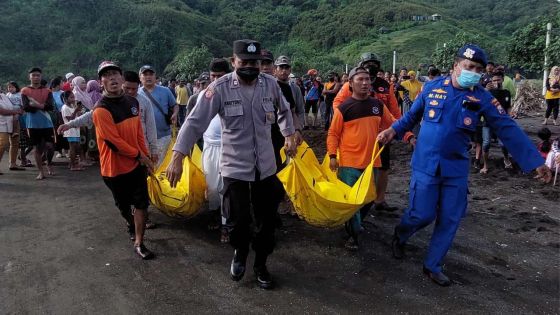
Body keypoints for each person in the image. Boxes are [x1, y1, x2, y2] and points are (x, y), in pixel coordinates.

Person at [377, 44, 552, 286]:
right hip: (425, 165)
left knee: (450, 218)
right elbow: (410, 118)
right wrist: (391, 131)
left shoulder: (482, 97)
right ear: (455, 66)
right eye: (469, 67)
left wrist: (535, 162)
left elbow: (507, 128)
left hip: (455, 169)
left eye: (478, 69)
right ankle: (401, 235)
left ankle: (433, 265)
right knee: (422, 214)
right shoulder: (431, 88)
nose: (473, 71)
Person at [167, 39, 297, 289]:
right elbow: (194, 122)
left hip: (266, 167)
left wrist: (289, 134)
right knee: (237, 221)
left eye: (255, 62)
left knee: (267, 221)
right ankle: (239, 253)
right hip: (235, 168)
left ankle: (261, 264)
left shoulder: (270, 84)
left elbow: (284, 110)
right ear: (233, 62)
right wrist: (177, 156)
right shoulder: (219, 88)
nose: (250, 66)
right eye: (245, 62)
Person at [334, 52, 414, 213]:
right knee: (356, 169)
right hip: (357, 135)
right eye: (367, 63)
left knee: (383, 168)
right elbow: (338, 104)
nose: (371, 67)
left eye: (374, 63)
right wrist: (350, 120)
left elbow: (394, 113)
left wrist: (406, 133)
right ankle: (353, 202)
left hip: (382, 136)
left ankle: (379, 199)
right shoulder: (350, 85)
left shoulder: (385, 85)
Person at [327, 67, 396, 250]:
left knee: (368, 199)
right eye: (360, 80)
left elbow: (392, 125)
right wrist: (333, 156)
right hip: (349, 162)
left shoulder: (378, 106)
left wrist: (397, 134)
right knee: (353, 201)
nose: (365, 83)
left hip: (372, 161)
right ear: (350, 83)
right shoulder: (343, 108)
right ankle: (353, 236)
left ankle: (355, 225)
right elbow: (333, 134)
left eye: (367, 79)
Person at [92, 61, 155, 259]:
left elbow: (138, 135)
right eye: (106, 75)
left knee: (142, 204)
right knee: (123, 206)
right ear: (101, 82)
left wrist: (146, 158)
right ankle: (129, 222)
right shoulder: (100, 110)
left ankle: (139, 242)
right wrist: (140, 156)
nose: (111, 78)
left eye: (114, 74)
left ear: (122, 79)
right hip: (113, 169)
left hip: (136, 166)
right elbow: (114, 143)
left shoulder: (133, 103)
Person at [138, 65, 178, 165]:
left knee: (164, 166)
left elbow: (175, 105)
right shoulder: (136, 94)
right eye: (145, 74)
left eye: (151, 74)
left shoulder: (165, 91)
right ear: (140, 78)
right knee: (149, 168)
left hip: (163, 136)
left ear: (155, 77)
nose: (148, 77)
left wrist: (175, 114)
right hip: (144, 139)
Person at [21, 68, 56, 180]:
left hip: (47, 123)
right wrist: (42, 105)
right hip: (32, 124)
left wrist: (35, 104)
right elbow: (26, 108)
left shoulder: (47, 91)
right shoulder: (25, 91)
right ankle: (41, 171)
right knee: (37, 148)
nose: (36, 77)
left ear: (41, 76)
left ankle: (49, 163)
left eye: (38, 75)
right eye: (33, 75)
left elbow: (50, 107)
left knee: (50, 147)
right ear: (29, 77)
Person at [480, 71, 513, 173]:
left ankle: (506, 159)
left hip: (502, 122)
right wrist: (485, 90)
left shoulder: (506, 93)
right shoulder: (486, 93)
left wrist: (510, 116)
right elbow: (479, 101)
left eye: (498, 79)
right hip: (488, 121)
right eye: (494, 80)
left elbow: (508, 107)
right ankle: (485, 165)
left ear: (503, 79)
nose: (496, 82)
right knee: (486, 143)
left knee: (503, 144)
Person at [60, 91, 85, 171]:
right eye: (71, 97)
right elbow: (70, 119)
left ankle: (72, 163)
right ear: (65, 99)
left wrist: (78, 111)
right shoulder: (65, 107)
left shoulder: (72, 106)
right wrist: (76, 111)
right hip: (70, 130)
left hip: (75, 130)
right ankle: (73, 165)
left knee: (76, 146)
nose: (73, 99)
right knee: (73, 147)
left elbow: (77, 118)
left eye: (73, 97)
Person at [0, 93, 23, 174]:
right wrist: (15, 111)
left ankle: (13, 164)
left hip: (12, 121)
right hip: (1, 123)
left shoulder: (3, 95)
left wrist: (17, 111)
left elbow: (13, 106)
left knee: (15, 143)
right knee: (2, 144)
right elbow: (2, 111)